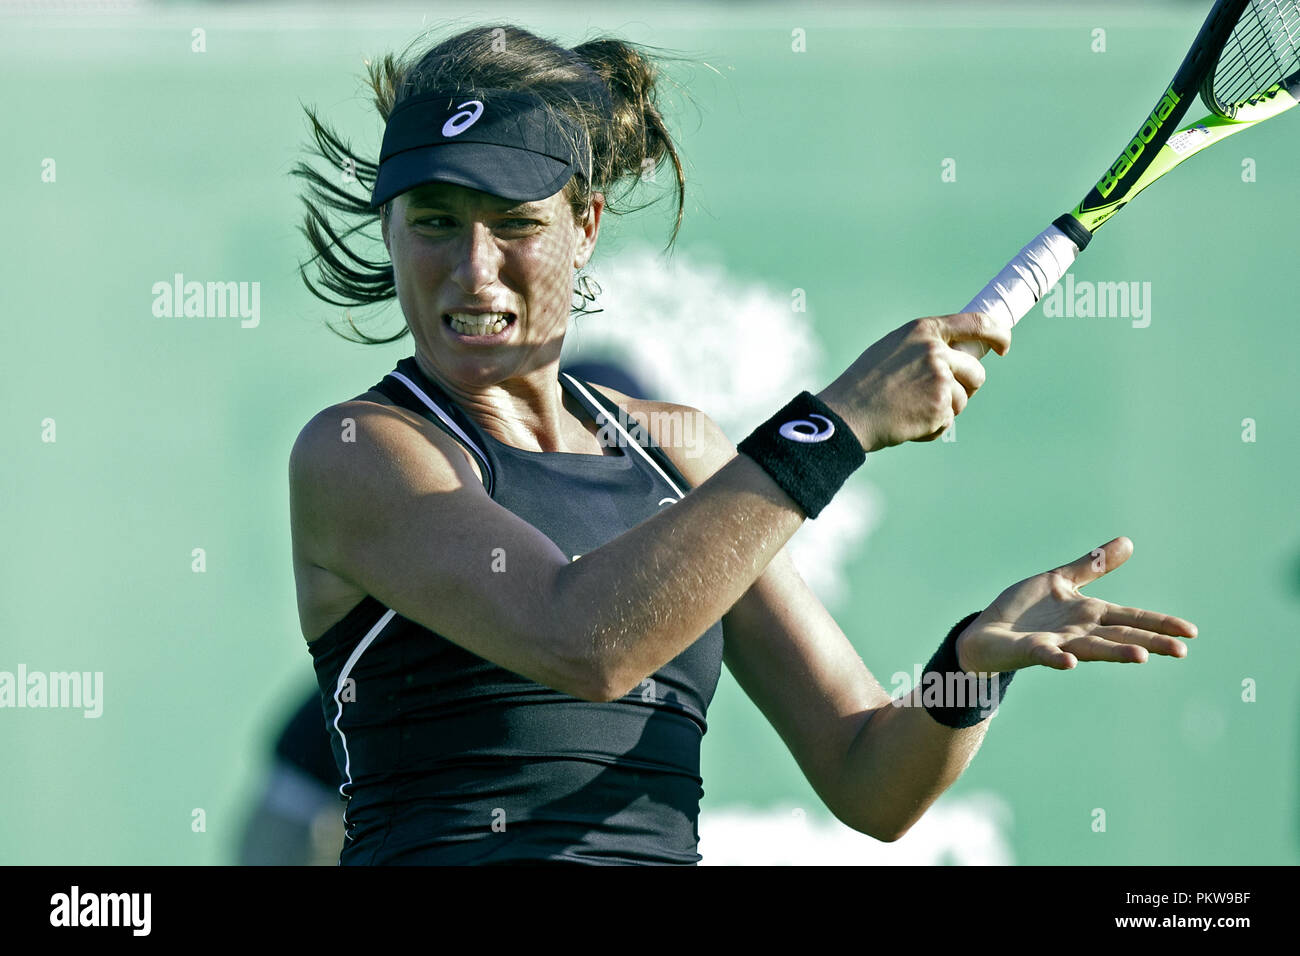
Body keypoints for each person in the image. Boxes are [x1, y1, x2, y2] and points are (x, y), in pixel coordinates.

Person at [287, 24, 1198, 865]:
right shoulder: (359, 451)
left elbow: (870, 777)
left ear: (585, 227)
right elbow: (585, 643)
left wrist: (967, 668)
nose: (474, 267)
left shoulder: (678, 449)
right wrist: (838, 424)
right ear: (391, 230)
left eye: (516, 222)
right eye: (435, 220)